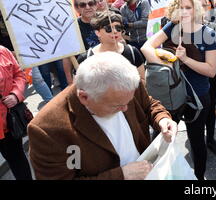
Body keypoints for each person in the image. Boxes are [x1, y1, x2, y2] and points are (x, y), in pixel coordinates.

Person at [28, 52, 176, 180]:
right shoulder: (46, 131)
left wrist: (162, 119)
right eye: (116, 106)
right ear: (84, 97)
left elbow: (148, 105)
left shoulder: (126, 87)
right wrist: (121, 175)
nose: (125, 109)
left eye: (128, 102)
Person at [141, 0, 216, 180]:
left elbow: (211, 71)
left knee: (197, 140)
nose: (184, 11)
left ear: (196, 9)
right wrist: (168, 63)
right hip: (171, 94)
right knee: (163, 138)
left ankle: (199, 179)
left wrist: (185, 59)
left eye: (188, 7)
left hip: (197, 97)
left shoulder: (208, 33)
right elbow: (146, 47)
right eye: (180, 7)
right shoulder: (172, 27)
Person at [193, 0, 216, 157]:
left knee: (210, 107)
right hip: (193, 77)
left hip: (211, 75)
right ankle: (197, 143)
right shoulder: (185, 28)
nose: (201, 10)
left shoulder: (214, 26)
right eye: (197, 6)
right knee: (194, 112)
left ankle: (210, 139)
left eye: (204, 6)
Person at [77, 11, 145, 82]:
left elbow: (142, 81)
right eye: (108, 28)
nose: (115, 31)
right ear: (97, 32)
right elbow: (79, 88)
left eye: (118, 28)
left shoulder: (132, 52)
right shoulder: (86, 57)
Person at [0, 46, 33, 180]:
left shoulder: (3, 51)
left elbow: (19, 74)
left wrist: (15, 94)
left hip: (8, 121)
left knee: (17, 158)